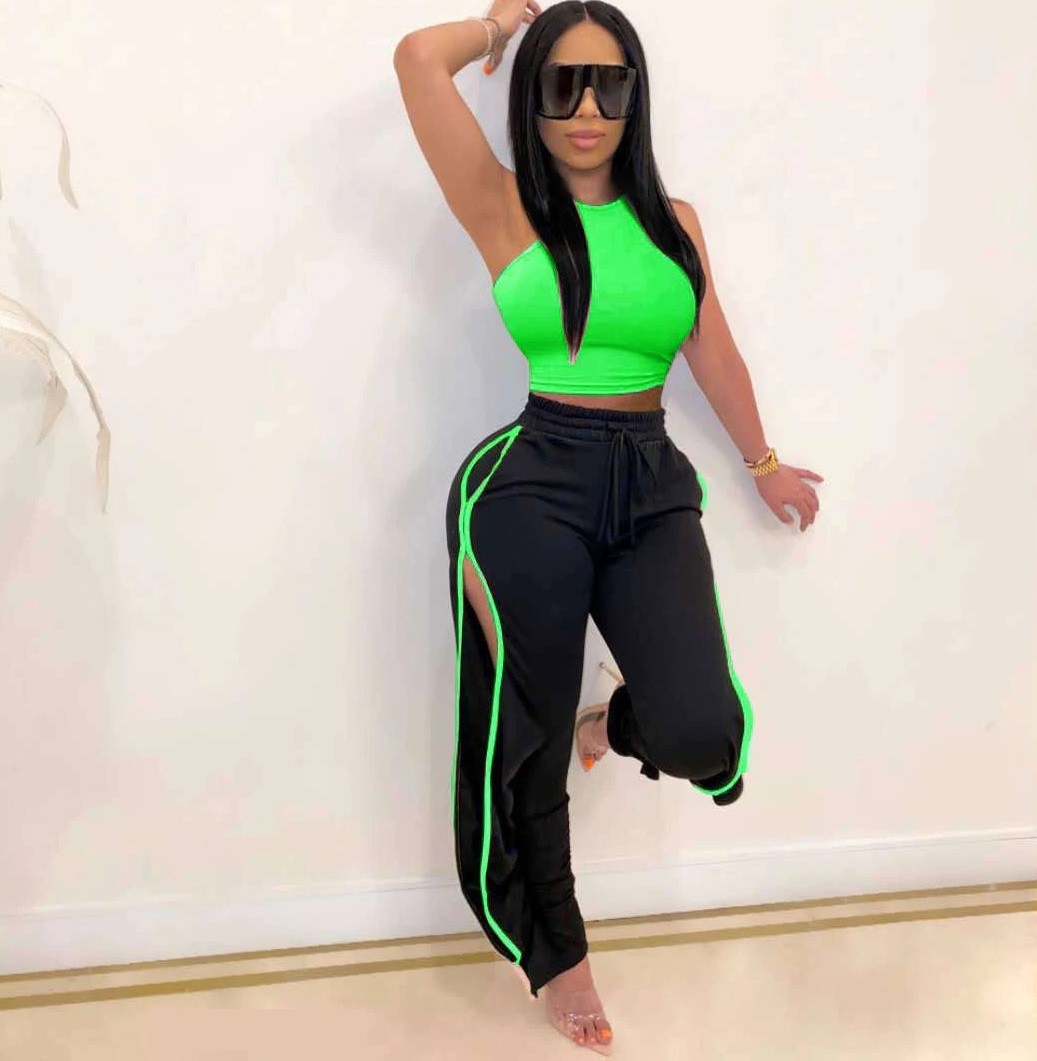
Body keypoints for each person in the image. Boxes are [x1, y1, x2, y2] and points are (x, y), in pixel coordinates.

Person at [393, 2, 823, 1052]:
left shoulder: (676, 221)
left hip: (649, 481)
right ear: (531, 97)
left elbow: (710, 353)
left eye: (608, 83)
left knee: (701, 730)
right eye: (561, 83)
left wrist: (761, 463)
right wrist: (499, 26)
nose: (586, 107)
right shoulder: (501, 205)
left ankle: (607, 727)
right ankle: (558, 951)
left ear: (635, 97)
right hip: (529, 481)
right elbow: (414, 60)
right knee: (526, 735)